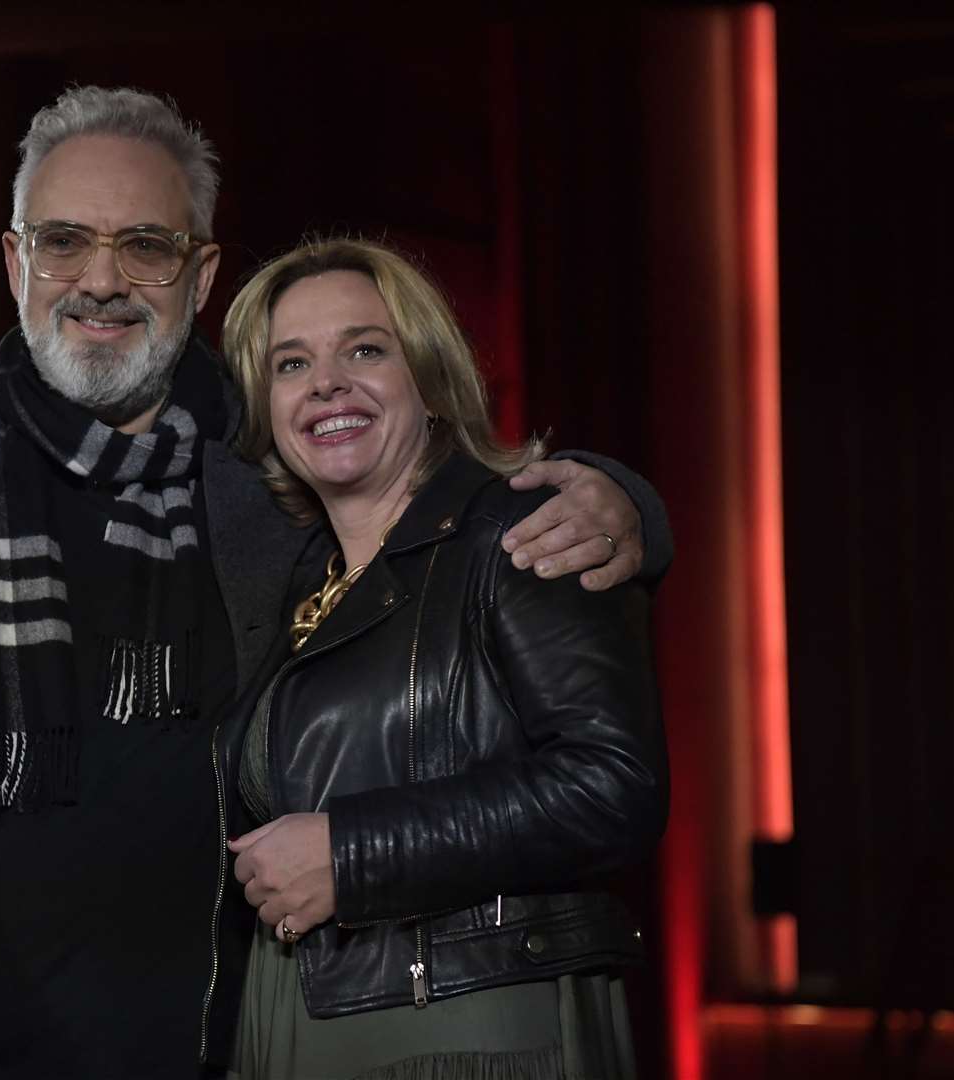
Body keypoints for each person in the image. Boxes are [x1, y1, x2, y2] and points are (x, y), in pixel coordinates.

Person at [0, 86, 672, 1080]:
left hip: (230, 1055)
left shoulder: (270, 503)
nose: (99, 280)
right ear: (17, 262)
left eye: (145, 244)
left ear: (200, 275)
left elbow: (438, 511)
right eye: (63, 241)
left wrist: (623, 507)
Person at [217, 239, 667, 1080]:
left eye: (365, 348)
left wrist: (351, 855)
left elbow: (616, 787)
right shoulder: (294, 587)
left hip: (469, 1030)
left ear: (427, 378)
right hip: (295, 1029)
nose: (326, 382)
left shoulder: (522, 533)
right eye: (290, 363)